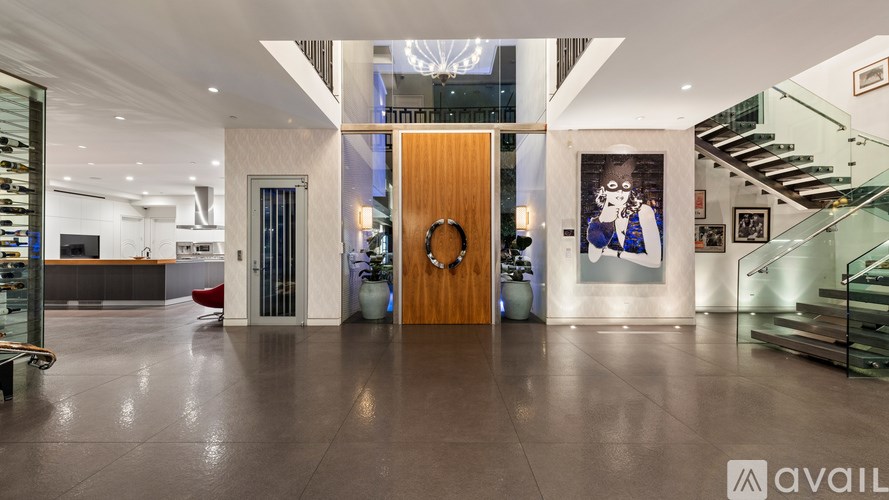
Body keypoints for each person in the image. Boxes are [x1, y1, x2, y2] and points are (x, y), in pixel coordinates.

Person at [586, 157, 662, 268]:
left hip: (643, 275)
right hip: (611, 273)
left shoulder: (643, 212)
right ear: (604, 190)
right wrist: (602, 220)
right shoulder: (602, 218)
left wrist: (617, 254)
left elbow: (655, 261)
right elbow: (593, 258)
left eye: (625, 186)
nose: (620, 191)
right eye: (613, 186)